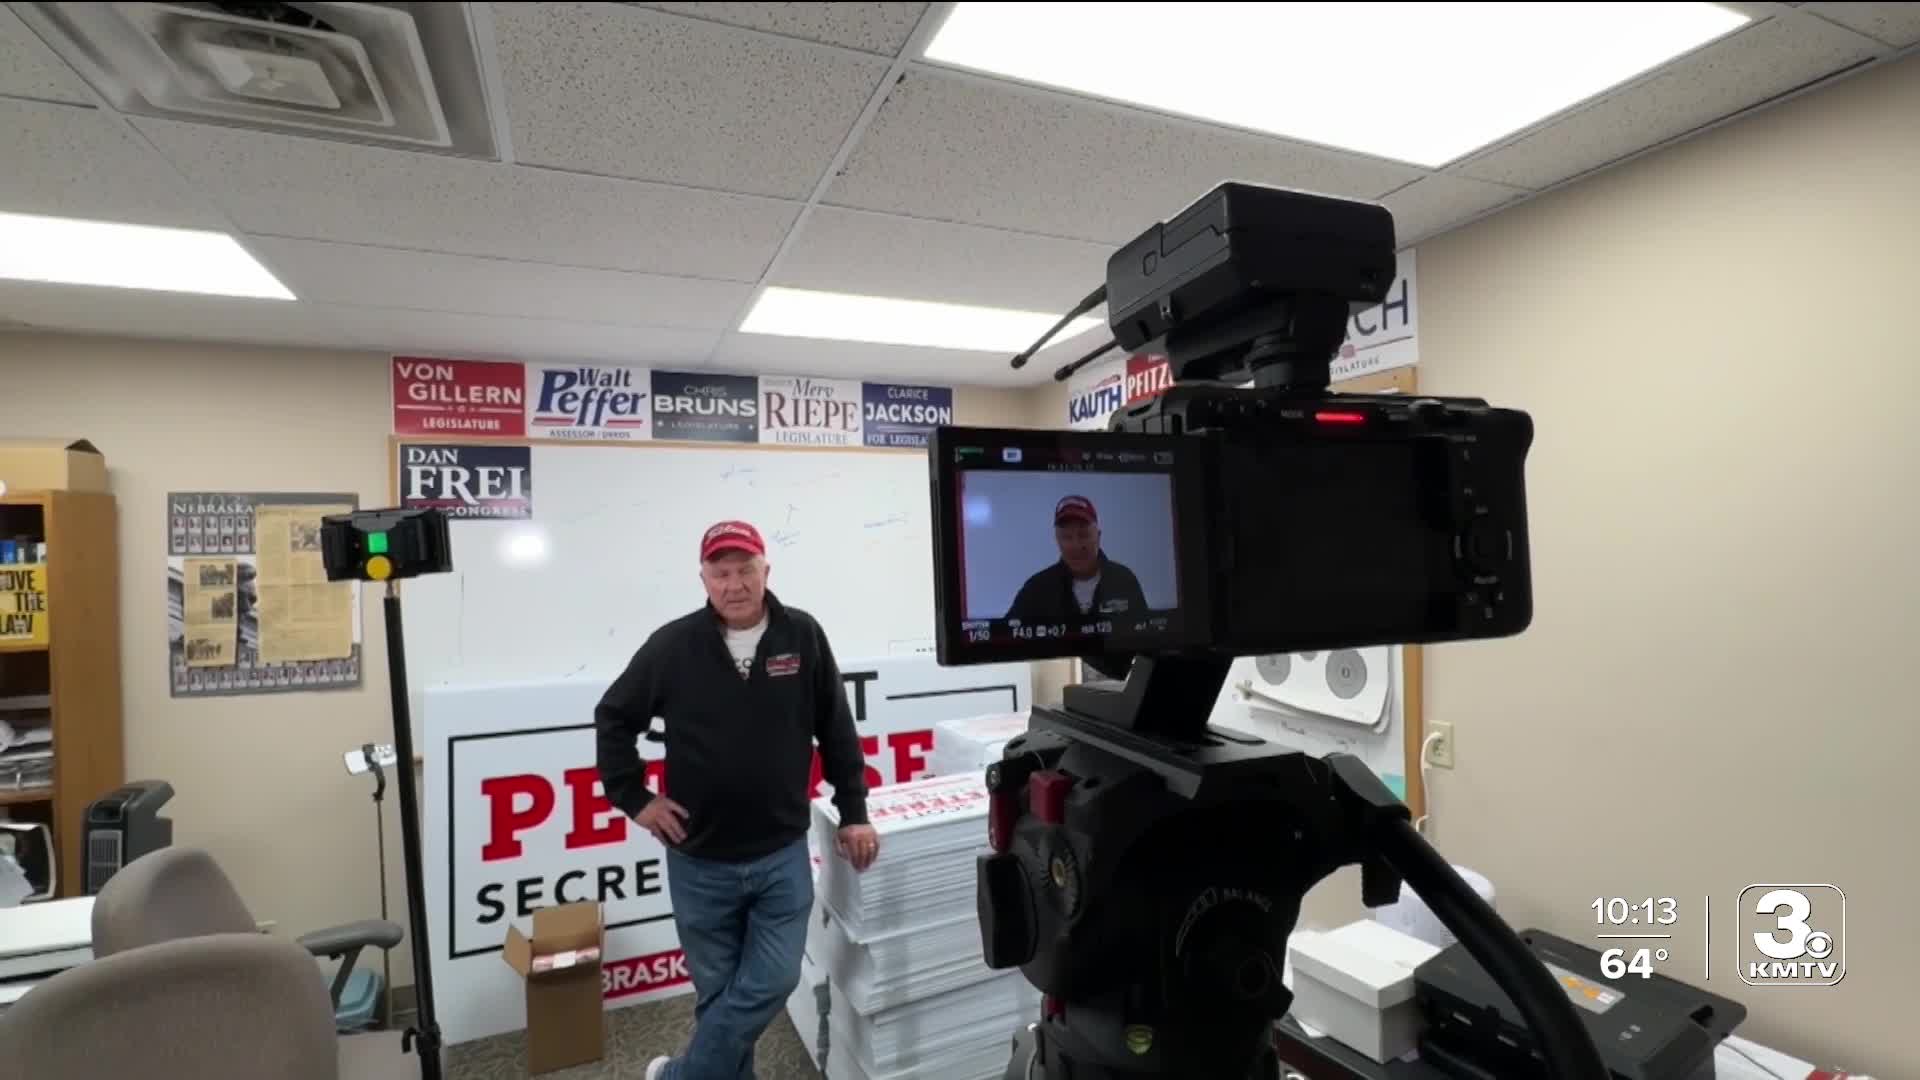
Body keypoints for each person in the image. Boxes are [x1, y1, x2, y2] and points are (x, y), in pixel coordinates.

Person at [594, 519, 879, 1080]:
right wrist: (635, 798)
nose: (734, 584)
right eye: (720, 573)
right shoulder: (673, 645)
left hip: (780, 854)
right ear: (703, 579)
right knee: (720, 994)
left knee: (774, 979)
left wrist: (855, 813)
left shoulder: (802, 635)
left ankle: (678, 1076)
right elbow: (614, 716)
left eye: (745, 569)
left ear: (766, 570)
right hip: (699, 860)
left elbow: (836, 729)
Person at [1005, 494, 1150, 624]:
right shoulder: (1036, 590)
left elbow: (1146, 635)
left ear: (1098, 536)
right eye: (1067, 537)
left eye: (1083, 535)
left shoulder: (1124, 581)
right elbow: (1004, 636)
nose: (1076, 545)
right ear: (1057, 541)